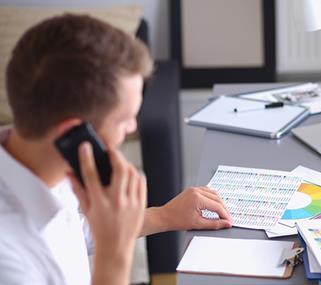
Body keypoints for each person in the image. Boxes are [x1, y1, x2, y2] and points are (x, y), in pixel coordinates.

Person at [0, 14, 232, 285]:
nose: (133, 127)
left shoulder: (44, 165)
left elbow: (72, 229)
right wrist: (115, 256)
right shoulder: (9, 260)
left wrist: (165, 215)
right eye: (124, 120)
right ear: (75, 135)